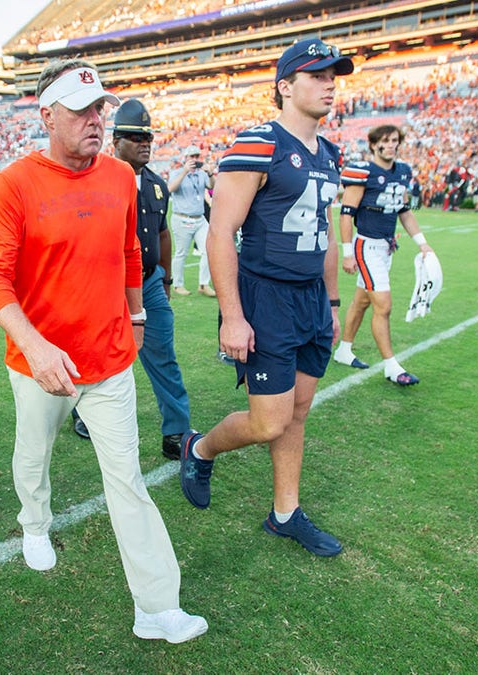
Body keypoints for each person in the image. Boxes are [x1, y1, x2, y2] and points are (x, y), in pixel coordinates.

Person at [0, 59, 207, 643]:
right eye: (80, 110)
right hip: (38, 363)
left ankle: (156, 608)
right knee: (34, 455)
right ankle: (35, 523)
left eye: (99, 108)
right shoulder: (14, 183)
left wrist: (136, 313)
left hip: (108, 361)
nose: (95, 119)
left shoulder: (120, 177)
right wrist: (35, 345)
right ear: (47, 115)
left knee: (127, 480)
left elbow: (130, 251)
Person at [177, 37, 350, 558]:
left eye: (333, 75)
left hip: (311, 302)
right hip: (267, 297)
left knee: (296, 413)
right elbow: (221, 231)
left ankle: (284, 514)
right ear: (285, 86)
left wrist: (334, 305)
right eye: (317, 75)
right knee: (268, 421)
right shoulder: (258, 142)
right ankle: (199, 447)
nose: (329, 83)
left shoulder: (331, 152)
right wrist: (232, 316)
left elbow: (324, 235)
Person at [107, 97, 194, 460]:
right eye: (133, 136)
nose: (144, 143)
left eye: (148, 137)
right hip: (107, 287)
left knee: (163, 356)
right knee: (99, 356)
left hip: (148, 283)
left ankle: (176, 431)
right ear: (115, 142)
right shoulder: (97, 182)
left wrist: (168, 279)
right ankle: (81, 411)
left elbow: (161, 234)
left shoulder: (157, 185)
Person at [333, 124, 432, 385]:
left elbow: (404, 211)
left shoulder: (402, 172)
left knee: (362, 302)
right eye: (385, 141)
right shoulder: (363, 171)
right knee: (383, 306)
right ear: (374, 144)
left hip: (386, 247)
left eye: (395, 140)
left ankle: (344, 350)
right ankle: (392, 366)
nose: (390, 145)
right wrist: (347, 252)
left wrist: (422, 243)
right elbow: (346, 214)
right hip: (365, 246)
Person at [168, 145, 215, 297]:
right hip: (182, 218)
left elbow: (212, 187)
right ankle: (177, 285)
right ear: (185, 159)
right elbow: (170, 189)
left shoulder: (201, 174)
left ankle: (203, 284)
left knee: (209, 249)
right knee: (181, 253)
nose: (195, 160)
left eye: (197, 157)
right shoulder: (176, 173)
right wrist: (184, 172)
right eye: (191, 157)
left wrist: (210, 173)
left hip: (199, 219)